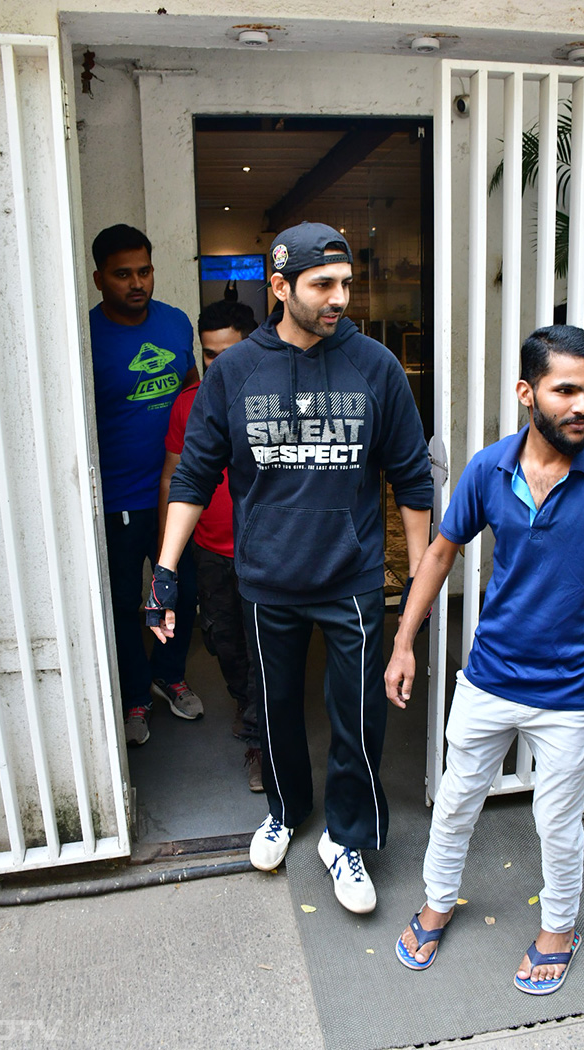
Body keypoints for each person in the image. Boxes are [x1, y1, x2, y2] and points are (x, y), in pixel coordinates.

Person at [147, 221, 433, 913]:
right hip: (267, 579)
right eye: (322, 285)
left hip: (353, 577)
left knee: (357, 717)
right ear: (279, 287)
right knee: (273, 713)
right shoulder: (238, 371)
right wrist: (164, 572)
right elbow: (193, 477)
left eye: (345, 283)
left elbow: (414, 482)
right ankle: (286, 809)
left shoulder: (376, 367)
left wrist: (417, 592)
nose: (340, 298)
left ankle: (348, 838)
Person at [385, 325, 584, 993]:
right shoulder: (489, 467)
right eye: (566, 390)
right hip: (488, 678)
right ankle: (437, 903)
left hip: (571, 694)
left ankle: (558, 927)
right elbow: (441, 553)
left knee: (557, 823)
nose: (583, 406)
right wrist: (403, 641)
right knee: (454, 803)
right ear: (527, 393)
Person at [90, 223, 202, 747]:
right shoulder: (85, 337)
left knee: (184, 594)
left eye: (144, 271)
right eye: (122, 274)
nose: (137, 283)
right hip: (116, 501)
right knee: (123, 603)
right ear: (99, 279)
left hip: (179, 495)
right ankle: (135, 694)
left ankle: (168, 673)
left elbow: (194, 397)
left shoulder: (177, 324)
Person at [158, 299, 263, 791]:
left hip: (266, 552)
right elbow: (175, 476)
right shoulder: (189, 402)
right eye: (208, 355)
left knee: (268, 649)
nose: (217, 365)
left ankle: (263, 747)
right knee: (225, 642)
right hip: (212, 551)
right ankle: (245, 704)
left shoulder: (273, 397)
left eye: (228, 354)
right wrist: (168, 561)